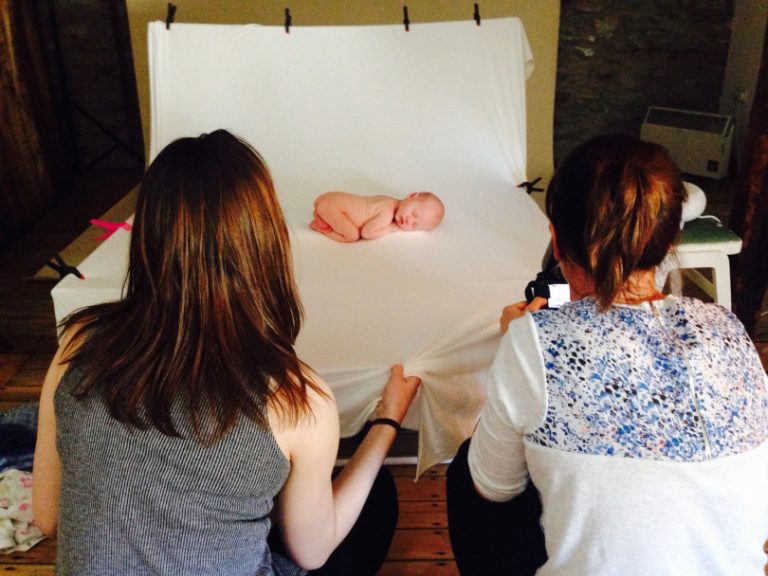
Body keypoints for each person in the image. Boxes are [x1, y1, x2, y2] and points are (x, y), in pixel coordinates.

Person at [32, 129, 421, 576]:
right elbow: (312, 552)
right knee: (378, 500)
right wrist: (386, 423)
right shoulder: (296, 398)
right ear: (267, 242)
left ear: (147, 238)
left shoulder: (78, 340)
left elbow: (48, 516)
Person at [446, 134, 768, 576]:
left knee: (468, 470)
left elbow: (493, 487)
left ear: (557, 242)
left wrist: (516, 344)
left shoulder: (535, 340)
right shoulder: (728, 330)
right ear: (670, 241)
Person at [309, 190, 445, 242]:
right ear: (411, 195)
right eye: (414, 213)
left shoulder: (388, 199)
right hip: (335, 207)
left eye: (414, 225)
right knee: (352, 236)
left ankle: (322, 216)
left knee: (347, 226)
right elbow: (367, 233)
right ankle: (321, 227)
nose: (409, 220)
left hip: (332, 200)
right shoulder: (387, 212)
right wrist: (391, 228)